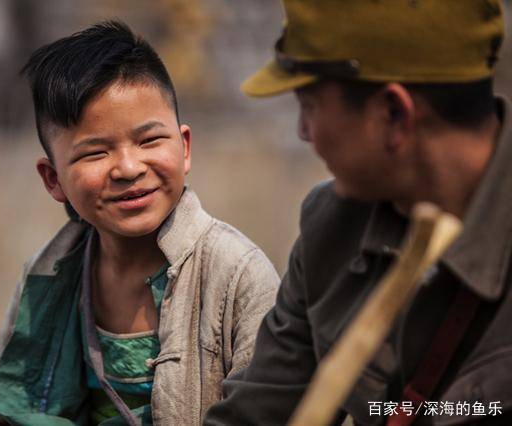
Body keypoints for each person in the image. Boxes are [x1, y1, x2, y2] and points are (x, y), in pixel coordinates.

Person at [204, 1, 512, 425]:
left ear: (394, 114)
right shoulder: (332, 228)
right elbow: (258, 414)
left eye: (309, 104)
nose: (303, 132)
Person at [0, 21, 279, 426]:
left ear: (184, 148)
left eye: (150, 141)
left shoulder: (239, 276)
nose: (129, 168)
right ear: (53, 179)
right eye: (95, 153)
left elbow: (272, 413)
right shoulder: (48, 274)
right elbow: (0, 412)